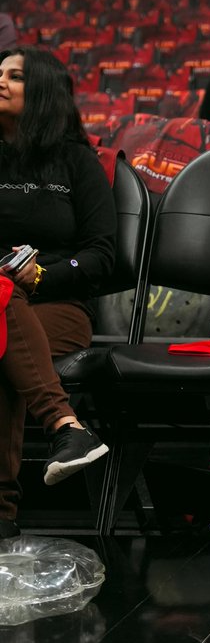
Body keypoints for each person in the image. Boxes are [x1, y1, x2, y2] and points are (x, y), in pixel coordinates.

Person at [0, 48, 115, 538]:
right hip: (1, 301)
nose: (0, 81)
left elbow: (102, 256)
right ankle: (67, 427)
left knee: (2, 340)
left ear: (44, 91)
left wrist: (42, 276)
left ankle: (2, 516)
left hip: (60, 307)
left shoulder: (76, 162)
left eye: (15, 76)